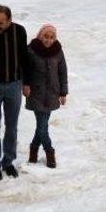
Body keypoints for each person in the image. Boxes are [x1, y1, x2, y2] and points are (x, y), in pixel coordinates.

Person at [0, 5, 30, 180]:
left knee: (12, 127)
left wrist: (27, 83)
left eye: (0, 23)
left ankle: (8, 162)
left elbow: (24, 58)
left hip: (15, 85)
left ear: (9, 20)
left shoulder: (20, 31)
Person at [25, 24, 68, 168]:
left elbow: (63, 72)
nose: (48, 40)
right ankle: (49, 152)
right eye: (46, 36)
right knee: (43, 126)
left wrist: (63, 92)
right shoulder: (31, 50)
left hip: (52, 93)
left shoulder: (58, 51)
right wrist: (25, 85)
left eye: (51, 37)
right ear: (40, 35)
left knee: (41, 126)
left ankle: (33, 150)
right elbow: (25, 70)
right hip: (36, 93)